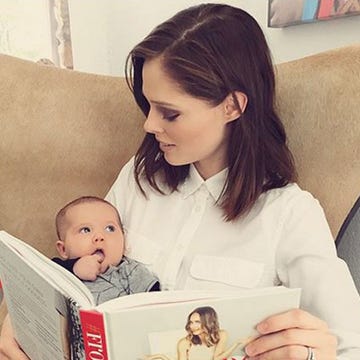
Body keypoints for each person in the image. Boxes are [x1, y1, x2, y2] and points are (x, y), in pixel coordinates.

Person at [1, 3, 360, 359]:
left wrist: (314, 355)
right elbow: (80, 269)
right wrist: (27, 317)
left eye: (170, 113)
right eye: (148, 105)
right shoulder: (140, 178)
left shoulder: (289, 214)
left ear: (232, 106)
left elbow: (349, 345)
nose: (149, 125)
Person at [52, 196, 160, 305]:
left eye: (110, 229)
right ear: (63, 249)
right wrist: (74, 267)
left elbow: (155, 302)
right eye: (86, 230)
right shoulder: (60, 270)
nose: (99, 237)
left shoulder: (129, 271)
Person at [143, 306, 249, 360]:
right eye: (191, 322)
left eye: (197, 322)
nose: (192, 326)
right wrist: (161, 356)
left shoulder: (221, 334)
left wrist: (236, 344)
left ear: (208, 321)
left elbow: (217, 358)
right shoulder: (184, 343)